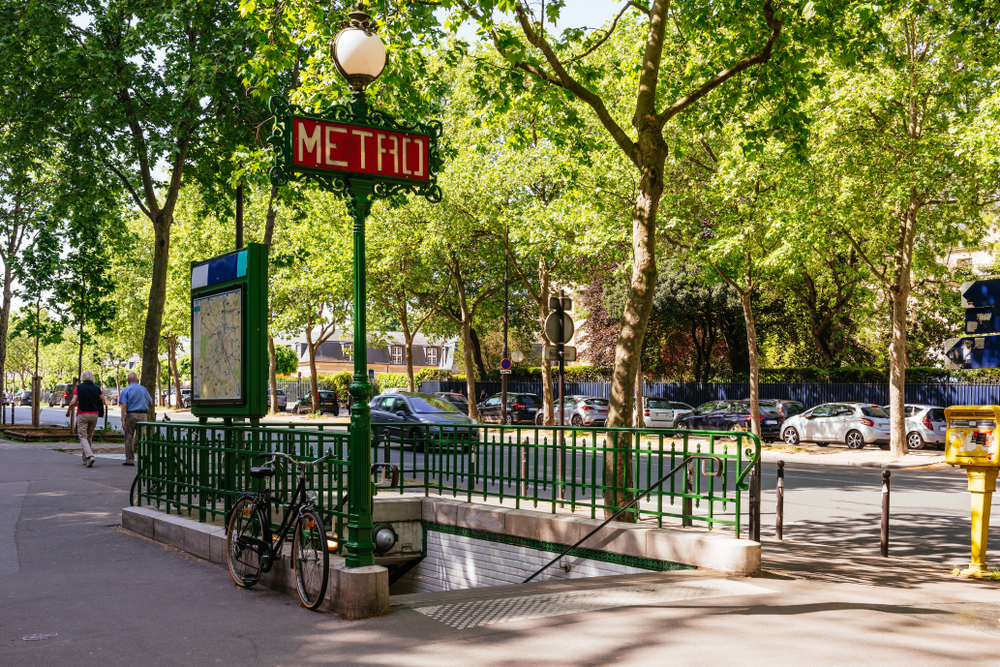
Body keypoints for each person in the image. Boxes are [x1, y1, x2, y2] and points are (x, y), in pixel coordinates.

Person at [66, 371, 105, 468]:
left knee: (82, 436)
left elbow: (73, 401)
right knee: (89, 436)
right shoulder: (97, 388)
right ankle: (85, 459)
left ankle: (90, 456)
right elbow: (103, 400)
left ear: (82, 378)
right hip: (94, 414)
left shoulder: (79, 387)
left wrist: (68, 411)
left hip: (83, 414)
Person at [118, 372, 152, 467]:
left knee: (129, 437)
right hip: (143, 415)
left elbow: (124, 405)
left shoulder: (126, 390)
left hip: (131, 415)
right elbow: (151, 403)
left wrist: (123, 419)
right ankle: (144, 459)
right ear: (136, 380)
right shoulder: (143, 389)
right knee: (142, 437)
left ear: (128, 380)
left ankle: (130, 460)